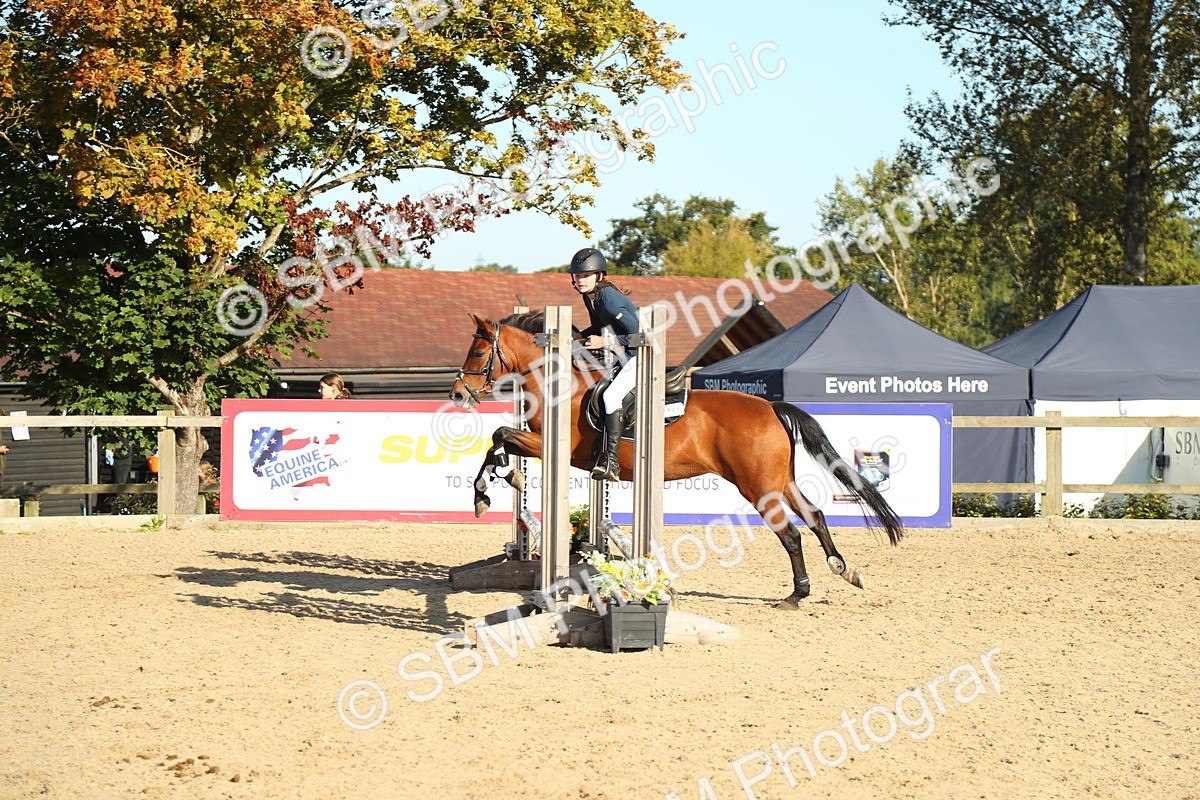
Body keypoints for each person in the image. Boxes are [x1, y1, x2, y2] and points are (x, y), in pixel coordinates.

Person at [568, 247, 639, 481]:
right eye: (577, 276)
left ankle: (612, 462)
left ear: (599, 276)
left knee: (611, 397)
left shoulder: (608, 300)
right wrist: (581, 335)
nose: (580, 280)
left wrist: (604, 340)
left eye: (585, 276)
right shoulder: (591, 297)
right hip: (624, 355)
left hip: (645, 355)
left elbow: (642, 336)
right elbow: (600, 328)